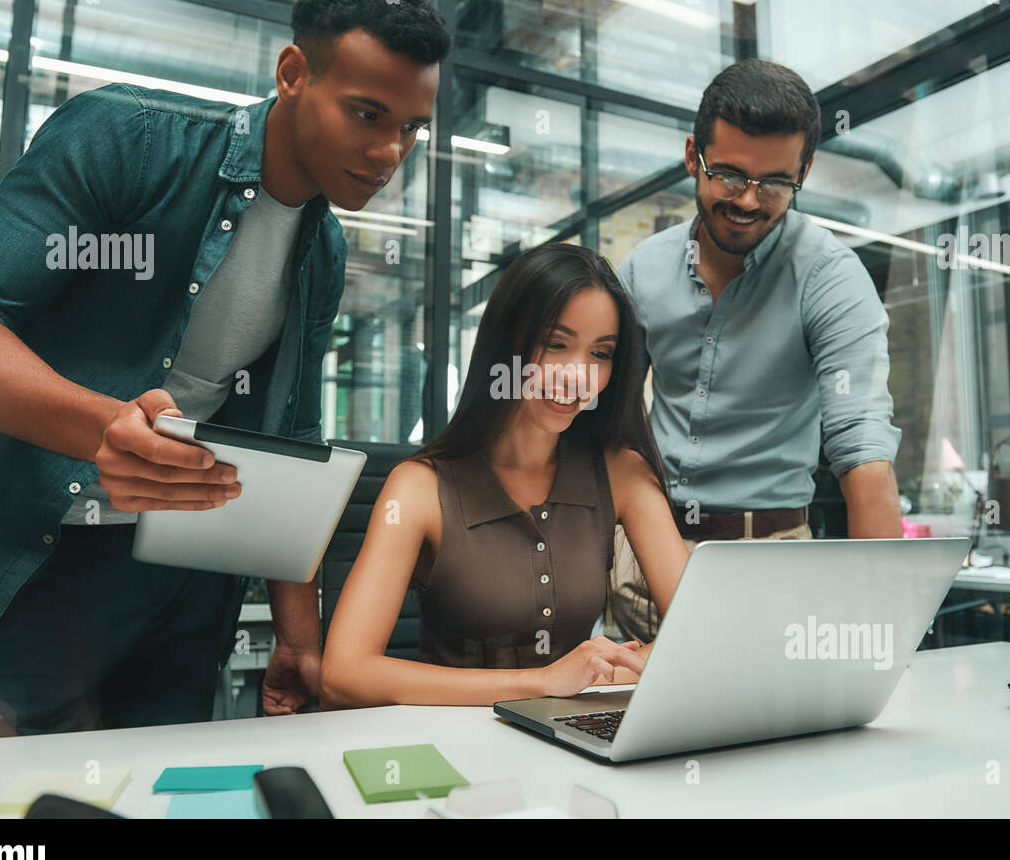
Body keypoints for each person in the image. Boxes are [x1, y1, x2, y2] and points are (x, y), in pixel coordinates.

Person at [0, 0, 448, 734]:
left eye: (411, 128)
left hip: (183, 588)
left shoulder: (324, 250)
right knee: (12, 804)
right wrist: (104, 429)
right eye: (367, 114)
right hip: (37, 551)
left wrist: (299, 636)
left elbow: (290, 445)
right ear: (294, 73)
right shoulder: (127, 138)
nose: (389, 153)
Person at [608, 59, 904, 643]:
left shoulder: (830, 277)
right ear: (693, 155)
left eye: (774, 183)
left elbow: (862, 451)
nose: (747, 199)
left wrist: (884, 631)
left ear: (805, 170)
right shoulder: (644, 269)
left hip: (771, 563)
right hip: (645, 557)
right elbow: (607, 421)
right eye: (728, 174)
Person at [320, 243, 690, 707]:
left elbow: (698, 636)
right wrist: (539, 682)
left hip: (571, 739)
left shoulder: (622, 473)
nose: (577, 376)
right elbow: (343, 674)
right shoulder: (418, 488)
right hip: (449, 748)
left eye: (600, 353)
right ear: (504, 344)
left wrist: (597, 672)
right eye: (555, 344)